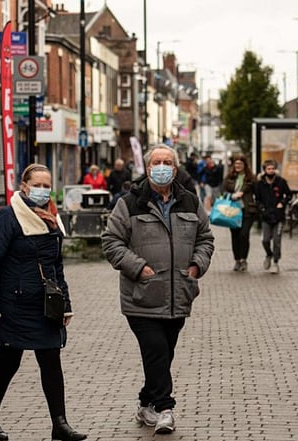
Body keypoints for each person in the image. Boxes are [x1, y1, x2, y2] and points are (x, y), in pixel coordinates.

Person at [101, 145, 214, 435]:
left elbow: (205, 238)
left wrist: (196, 267)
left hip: (178, 295)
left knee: (163, 355)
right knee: (156, 350)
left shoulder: (189, 201)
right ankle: (165, 408)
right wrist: (140, 269)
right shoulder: (129, 203)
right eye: (156, 162)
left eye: (167, 162)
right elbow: (111, 242)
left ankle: (145, 402)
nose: (161, 167)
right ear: (148, 168)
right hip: (142, 296)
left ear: (175, 169)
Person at [0, 164, 86, 441]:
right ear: (24, 186)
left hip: (45, 304)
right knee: (7, 364)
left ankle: (60, 424)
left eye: (46, 185)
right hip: (12, 305)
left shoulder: (51, 218)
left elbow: (56, 266)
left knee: (51, 361)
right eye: (37, 184)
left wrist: (65, 303)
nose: (42, 190)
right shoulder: (7, 217)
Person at [254, 159, 292, 274]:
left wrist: (282, 203)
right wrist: (261, 208)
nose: (271, 171)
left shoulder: (281, 182)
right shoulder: (260, 184)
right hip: (266, 216)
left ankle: (275, 262)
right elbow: (257, 199)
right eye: (268, 169)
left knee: (277, 240)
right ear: (264, 170)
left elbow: (288, 195)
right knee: (265, 240)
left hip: (278, 216)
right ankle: (268, 254)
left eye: (273, 169)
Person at [222, 155, 257, 272]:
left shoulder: (251, 178)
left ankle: (243, 259)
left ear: (245, 165)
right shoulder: (229, 177)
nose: (238, 166)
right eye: (236, 164)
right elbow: (223, 191)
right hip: (233, 211)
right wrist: (231, 195)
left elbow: (258, 191)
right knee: (235, 236)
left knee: (244, 235)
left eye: (240, 164)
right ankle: (237, 259)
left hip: (247, 210)